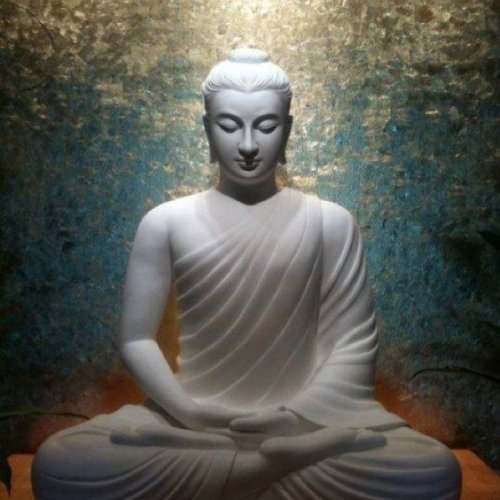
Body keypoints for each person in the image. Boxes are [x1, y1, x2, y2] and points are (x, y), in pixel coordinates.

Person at [32, 48, 461, 500]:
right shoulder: (166, 222)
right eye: (230, 125)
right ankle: (270, 466)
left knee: (430, 471)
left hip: (303, 424)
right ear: (207, 129)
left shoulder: (331, 223)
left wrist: (294, 418)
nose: (250, 145)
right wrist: (188, 412)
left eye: (267, 126)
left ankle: (264, 462)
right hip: (190, 425)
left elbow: (352, 347)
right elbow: (137, 340)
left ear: (288, 130)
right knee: (62, 463)